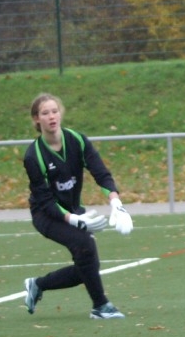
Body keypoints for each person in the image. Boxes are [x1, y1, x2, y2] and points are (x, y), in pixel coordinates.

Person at [22, 93, 133, 319]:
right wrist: (75, 220)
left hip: (73, 210)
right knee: (84, 246)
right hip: (46, 215)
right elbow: (46, 201)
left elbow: (101, 173)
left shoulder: (77, 140)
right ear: (37, 119)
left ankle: (38, 285)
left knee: (89, 264)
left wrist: (117, 203)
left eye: (55, 111)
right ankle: (101, 306)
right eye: (45, 113)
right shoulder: (33, 155)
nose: (52, 116)